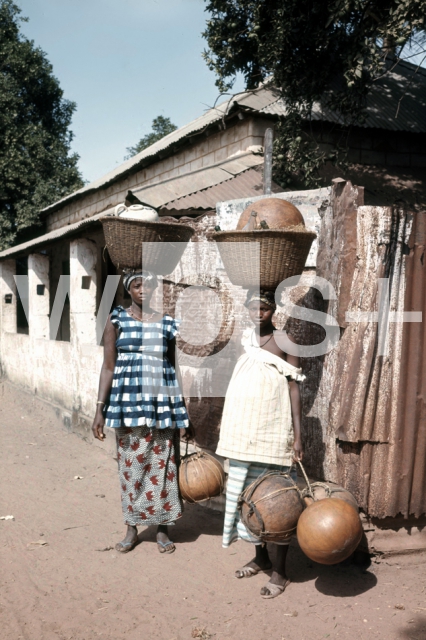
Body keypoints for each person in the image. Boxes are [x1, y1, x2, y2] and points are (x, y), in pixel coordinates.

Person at [91, 270, 193, 555]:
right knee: (131, 465)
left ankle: (163, 528)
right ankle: (132, 527)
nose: (144, 290)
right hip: (126, 404)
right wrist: (99, 409)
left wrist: (182, 411)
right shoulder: (116, 320)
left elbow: (174, 368)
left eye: (149, 286)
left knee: (164, 466)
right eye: (137, 286)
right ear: (128, 290)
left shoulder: (167, 323)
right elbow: (108, 367)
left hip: (163, 404)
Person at [216, 289, 305, 599]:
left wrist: (298, 434)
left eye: (264, 309)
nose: (258, 314)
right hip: (243, 431)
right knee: (246, 497)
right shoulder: (244, 340)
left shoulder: (285, 341)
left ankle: (280, 573)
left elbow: (294, 388)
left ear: (273, 310)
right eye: (253, 308)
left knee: (276, 500)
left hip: (272, 430)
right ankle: (260, 558)